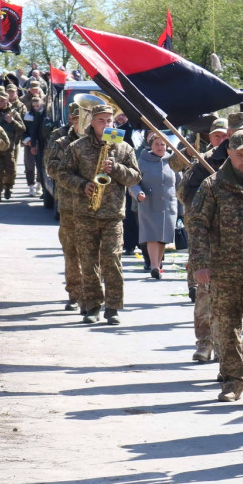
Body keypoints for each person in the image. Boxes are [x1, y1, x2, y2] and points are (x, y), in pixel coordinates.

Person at [190, 129, 243, 404]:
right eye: (240, 155)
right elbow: (198, 225)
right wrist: (200, 264)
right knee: (225, 329)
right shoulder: (213, 185)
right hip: (223, 272)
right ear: (229, 153)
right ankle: (231, 381)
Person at [60, 103, 141, 325]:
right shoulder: (77, 147)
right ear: (93, 122)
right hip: (85, 213)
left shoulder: (123, 147)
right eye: (102, 121)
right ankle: (92, 306)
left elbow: (135, 177)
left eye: (110, 120)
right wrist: (81, 185)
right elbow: (62, 174)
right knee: (88, 262)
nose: (107, 124)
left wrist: (116, 169)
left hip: (113, 214)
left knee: (112, 259)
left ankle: (113, 308)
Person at [178, 120, 228, 364]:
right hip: (210, 239)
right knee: (206, 294)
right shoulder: (204, 161)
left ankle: (226, 346)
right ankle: (205, 342)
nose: (222, 139)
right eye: (218, 135)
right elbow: (184, 193)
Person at [131, 130, 183, 280]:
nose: (160, 147)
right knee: (152, 235)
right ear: (151, 145)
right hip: (148, 204)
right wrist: (138, 193)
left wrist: (182, 208)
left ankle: (157, 265)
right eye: (157, 144)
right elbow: (133, 182)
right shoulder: (142, 161)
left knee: (163, 237)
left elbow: (180, 184)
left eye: (163, 144)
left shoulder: (172, 161)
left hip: (169, 205)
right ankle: (154, 266)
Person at [45, 104, 83, 309]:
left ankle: (92, 293)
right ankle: (75, 294)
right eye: (77, 119)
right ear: (72, 120)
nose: (80, 123)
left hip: (97, 206)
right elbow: (51, 168)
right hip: (69, 204)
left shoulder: (104, 140)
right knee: (71, 250)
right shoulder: (61, 140)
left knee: (95, 252)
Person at [0, 86, 27, 202]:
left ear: (7, 100)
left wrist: (12, 121)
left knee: (11, 171)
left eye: (3, 100)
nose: (0, 103)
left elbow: (22, 128)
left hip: (10, 147)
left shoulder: (13, 113)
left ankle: (8, 187)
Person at [21, 92, 46, 197]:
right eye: (34, 106)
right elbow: (23, 130)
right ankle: (31, 186)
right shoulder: (27, 116)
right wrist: (28, 140)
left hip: (41, 144)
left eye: (38, 106)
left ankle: (39, 185)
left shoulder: (44, 115)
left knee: (41, 166)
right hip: (29, 144)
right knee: (29, 165)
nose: (36, 108)